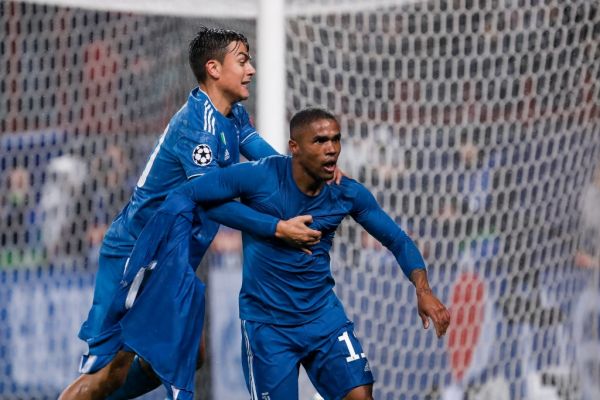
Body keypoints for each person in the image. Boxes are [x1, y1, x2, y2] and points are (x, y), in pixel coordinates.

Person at [59, 27, 329, 400]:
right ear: (214, 69)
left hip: (172, 260)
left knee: (185, 356)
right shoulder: (197, 126)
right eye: (243, 61)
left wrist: (309, 168)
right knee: (111, 366)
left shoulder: (233, 116)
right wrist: (277, 228)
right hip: (139, 256)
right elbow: (213, 200)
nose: (251, 70)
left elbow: (267, 162)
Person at [119, 107, 450, 399]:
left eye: (336, 140)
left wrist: (423, 290)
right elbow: (191, 194)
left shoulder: (345, 192)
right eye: (320, 141)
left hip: (323, 319)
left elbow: (399, 241)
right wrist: (275, 228)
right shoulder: (259, 176)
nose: (331, 149)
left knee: (360, 396)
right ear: (295, 148)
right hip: (268, 326)